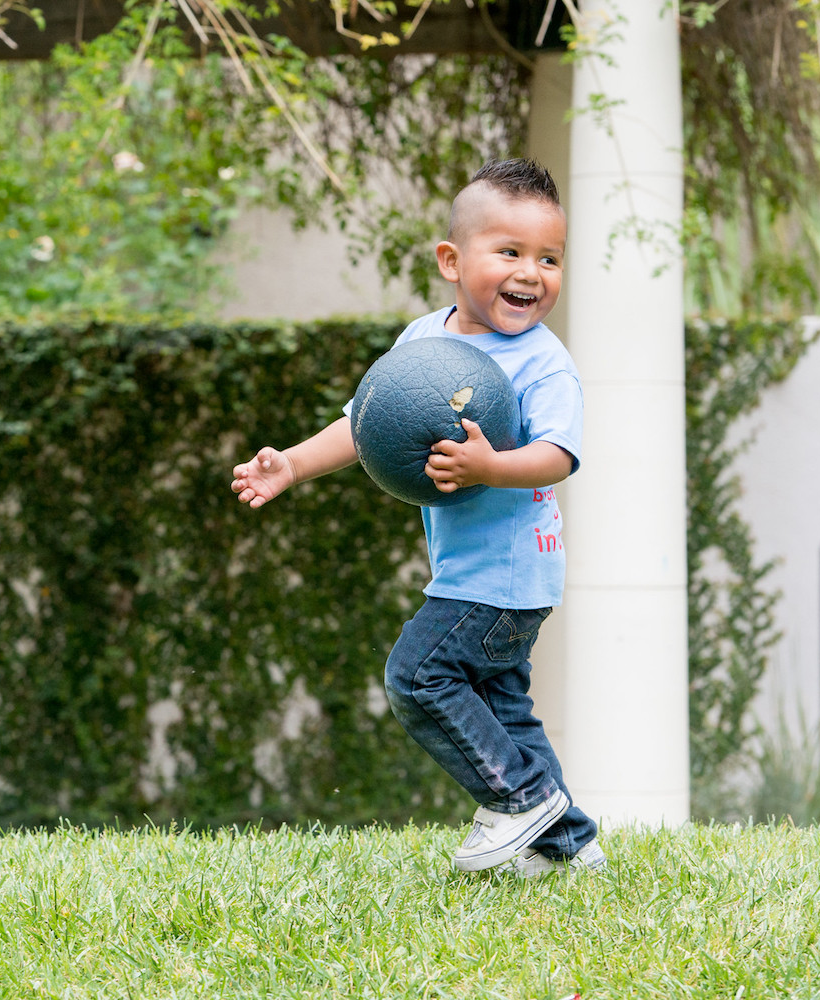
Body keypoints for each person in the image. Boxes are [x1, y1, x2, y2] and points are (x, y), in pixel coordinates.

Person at [231, 158, 604, 876]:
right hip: (474, 571)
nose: (532, 273)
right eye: (510, 252)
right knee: (501, 707)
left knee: (418, 676)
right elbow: (367, 424)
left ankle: (522, 801)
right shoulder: (423, 342)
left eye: (549, 258)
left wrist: (492, 466)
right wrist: (295, 465)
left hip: (509, 570)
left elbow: (558, 454)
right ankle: (567, 845)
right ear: (451, 259)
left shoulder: (542, 363)